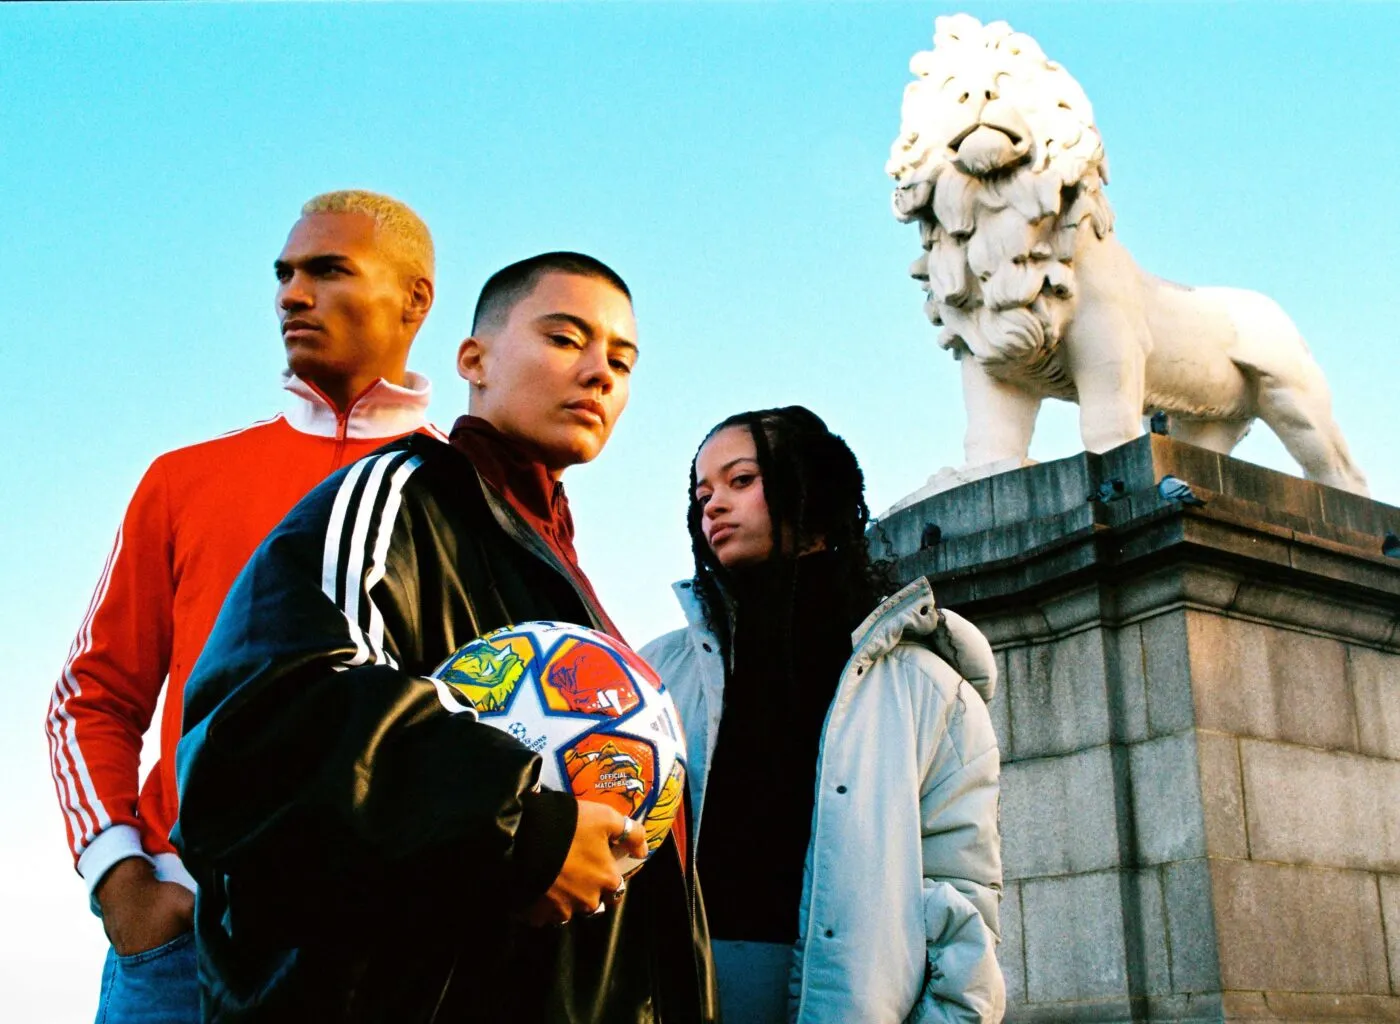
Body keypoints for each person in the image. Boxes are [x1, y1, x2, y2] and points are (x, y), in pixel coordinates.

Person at [172, 253, 717, 1023]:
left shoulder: (560, 574)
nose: (600, 373)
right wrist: (525, 829)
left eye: (622, 361)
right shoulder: (398, 495)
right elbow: (265, 725)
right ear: (473, 360)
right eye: (566, 338)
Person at [44, 189, 442, 1023]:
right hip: (180, 945)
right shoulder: (184, 480)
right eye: (284, 275)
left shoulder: (467, 495)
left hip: (399, 947)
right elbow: (92, 694)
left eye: (327, 271)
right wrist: (121, 881)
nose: (292, 295)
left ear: (415, 299)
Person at [640, 406, 1005, 1024]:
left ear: (812, 487)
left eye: (741, 480)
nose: (713, 506)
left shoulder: (927, 689)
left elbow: (963, 892)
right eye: (702, 495)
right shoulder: (656, 674)